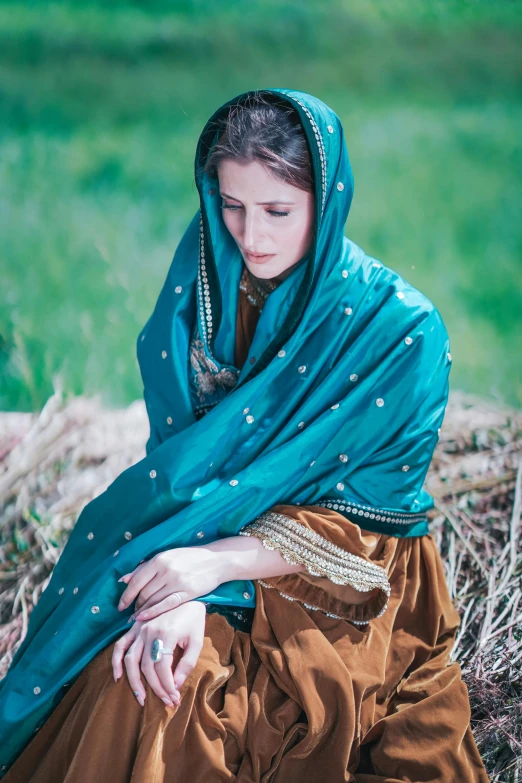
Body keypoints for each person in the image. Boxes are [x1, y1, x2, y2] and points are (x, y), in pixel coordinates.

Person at [0, 89, 489, 782]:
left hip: (332, 582)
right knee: (124, 669)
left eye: (278, 212)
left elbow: (369, 539)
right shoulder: (207, 272)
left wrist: (209, 576)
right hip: (197, 536)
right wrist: (184, 584)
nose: (250, 236)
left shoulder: (401, 332)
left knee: (177, 694)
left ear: (328, 201)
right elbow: (185, 470)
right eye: (232, 206)